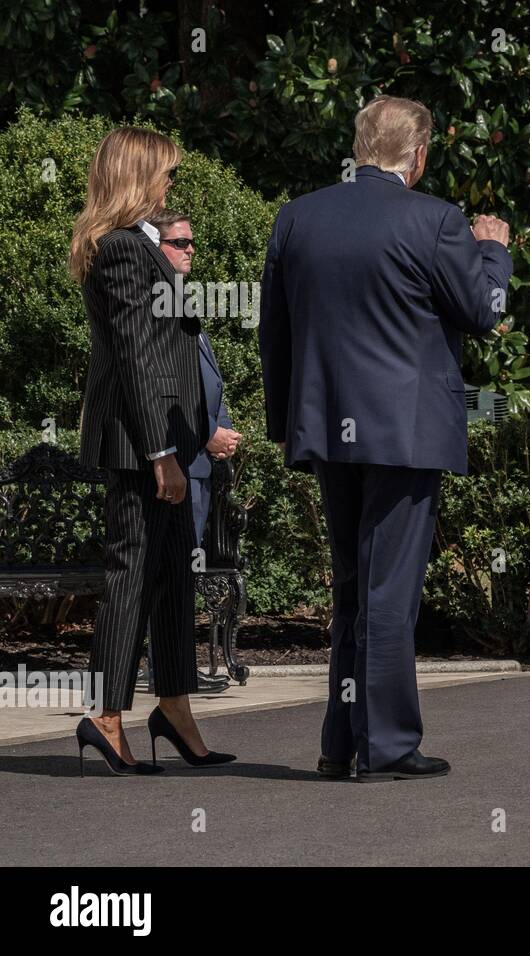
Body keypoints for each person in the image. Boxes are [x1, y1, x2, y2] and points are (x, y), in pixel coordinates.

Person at [260, 95, 511, 781]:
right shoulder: (435, 219)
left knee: (351, 586)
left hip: (328, 429)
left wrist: (286, 424)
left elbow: (273, 332)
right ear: (419, 153)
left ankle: (341, 741)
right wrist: (494, 251)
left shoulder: (298, 217)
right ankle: (389, 744)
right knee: (388, 592)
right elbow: (485, 312)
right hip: (404, 432)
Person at [70, 127, 233, 774]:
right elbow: (138, 356)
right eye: (165, 174)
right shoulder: (122, 252)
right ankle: (104, 717)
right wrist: (162, 453)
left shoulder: (142, 250)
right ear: (138, 177)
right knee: (130, 577)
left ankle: (173, 707)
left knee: (172, 580)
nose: (171, 185)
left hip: (163, 442)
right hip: (141, 447)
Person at [148, 209, 242, 545]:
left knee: (187, 574)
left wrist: (224, 429)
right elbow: (164, 384)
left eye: (191, 243)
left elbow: (208, 381)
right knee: (175, 574)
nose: (191, 249)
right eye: (181, 242)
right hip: (180, 460)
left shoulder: (178, 299)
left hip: (199, 464)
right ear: (156, 246)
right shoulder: (155, 305)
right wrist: (208, 432)